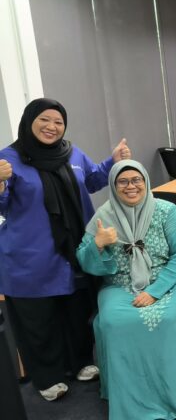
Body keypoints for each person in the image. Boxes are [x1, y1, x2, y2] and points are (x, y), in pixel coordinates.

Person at [0, 98, 131, 401]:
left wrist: (112, 161)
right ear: (29, 121)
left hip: (75, 250)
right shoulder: (9, 159)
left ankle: (81, 362)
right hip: (30, 255)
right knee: (39, 319)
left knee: (76, 312)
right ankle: (48, 376)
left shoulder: (71, 153)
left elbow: (94, 180)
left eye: (58, 121)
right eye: (44, 119)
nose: (52, 127)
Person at [76, 160, 176, 419]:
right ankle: (127, 398)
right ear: (114, 186)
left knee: (169, 319)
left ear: (146, 182)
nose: (130, 186)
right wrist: (98, 245)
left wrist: (155, 291)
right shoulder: (104, 216)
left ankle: (174, 393)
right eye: (122, 181)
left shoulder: (166, 210)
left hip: (168, 281)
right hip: (119, 284)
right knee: (114, 322)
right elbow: (84, 258)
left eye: (136, 180)